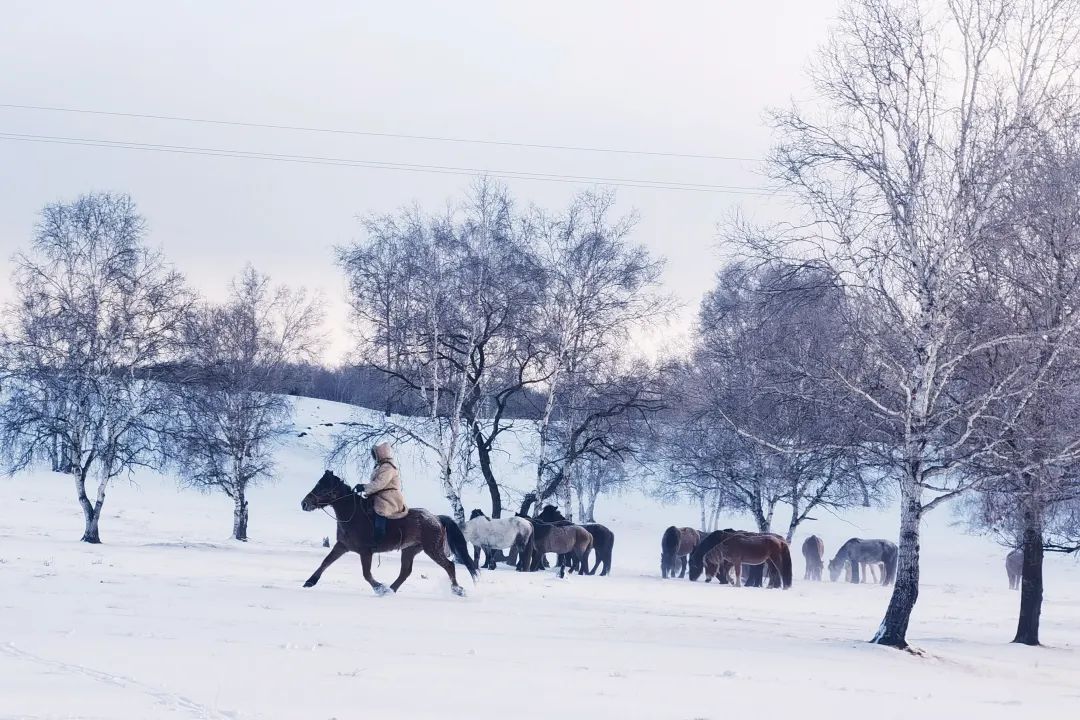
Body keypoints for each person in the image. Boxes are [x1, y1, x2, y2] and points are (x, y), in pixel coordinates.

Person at [355, 442, 408, 545]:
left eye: (375, 454)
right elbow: (375, 483)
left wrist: (365, 487)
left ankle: (380, 537)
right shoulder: (379, 467)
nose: (374, 457)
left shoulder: (388, 467)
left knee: (381, 509)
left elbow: (380, 483)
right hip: (380, 495)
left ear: (382, 454)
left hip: (389, 497)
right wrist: (363, 486)